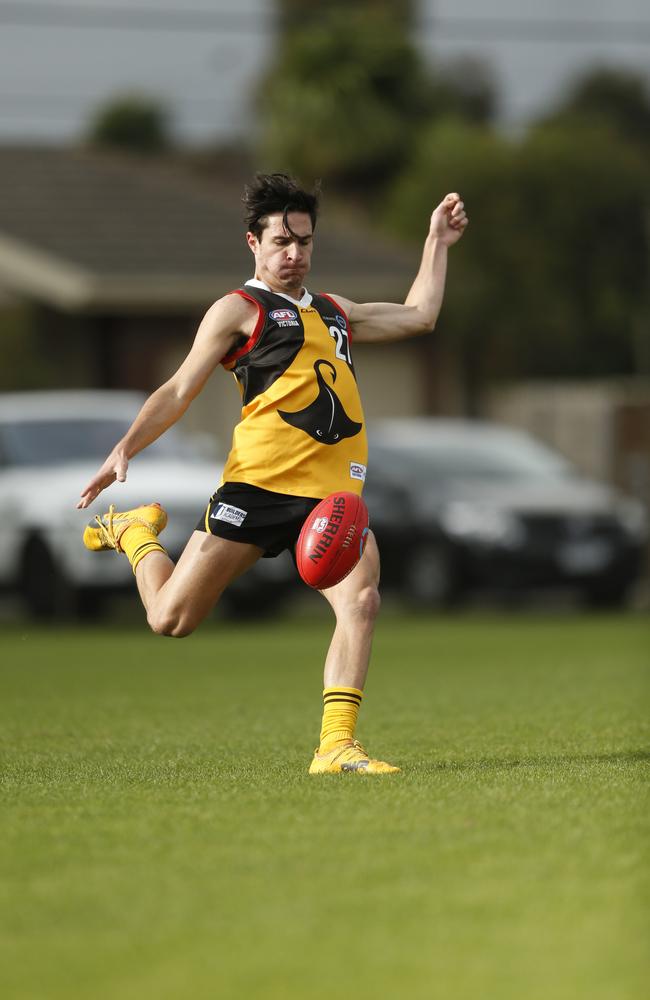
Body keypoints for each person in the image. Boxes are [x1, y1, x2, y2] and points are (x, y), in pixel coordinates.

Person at [78, 173, 468, 775]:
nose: (295, 254)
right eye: (282, 242)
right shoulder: (241, 309)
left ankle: (335, 746)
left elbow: (419, 316)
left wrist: (435, 244)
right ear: (253, 244)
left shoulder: (336, 312)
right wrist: (125, 447)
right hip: (255, 491)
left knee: (361, 601)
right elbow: (181, 388)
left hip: (332, 502)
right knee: (170, 620)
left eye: (305, 242)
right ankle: (135, 533)